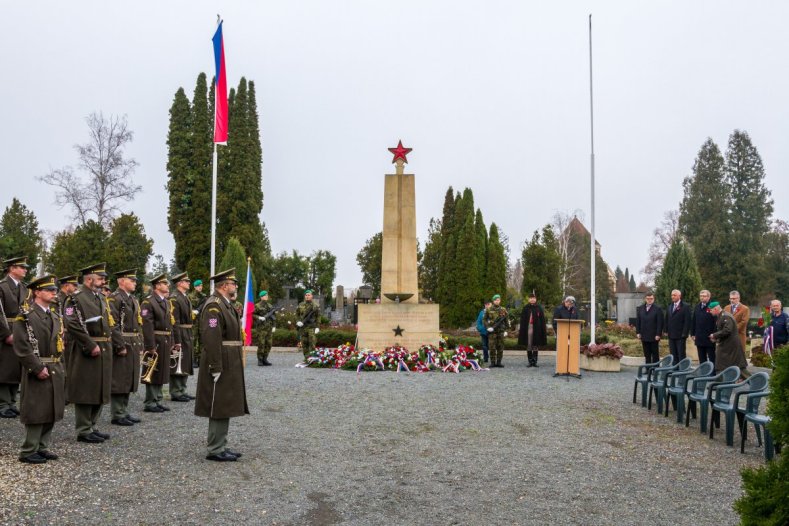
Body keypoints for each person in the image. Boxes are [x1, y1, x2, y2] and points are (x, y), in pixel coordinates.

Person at [63, 263, 123, 443]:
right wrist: (89, 344)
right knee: (86, 389)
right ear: (89, 279)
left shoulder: (100, 298)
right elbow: (71, 323)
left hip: (104, 347)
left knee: (100, 387)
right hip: (87, 349)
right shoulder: (75, 298)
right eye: (100, 278)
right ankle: (83, 429)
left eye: (104, 278)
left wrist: (117, 343)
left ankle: (92, 425)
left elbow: (109, 323)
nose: (104, 281)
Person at [194, 268, 248, 462]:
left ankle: (220, 445)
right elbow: (211, 338)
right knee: (218, 404)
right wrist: (215, 366)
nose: (236, 287)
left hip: (229, 359)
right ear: (224, 285)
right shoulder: (214, 306)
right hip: (221, 360)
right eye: (233, 284)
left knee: (225, 403)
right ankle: (215, 449)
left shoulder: (225, 304)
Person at [13, 275, 66, 463]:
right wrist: (36, 367)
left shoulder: (54, 314)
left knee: (51, 407)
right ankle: (28, 449)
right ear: (37, 292)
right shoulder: (26, 316)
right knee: (36, 409)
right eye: (49, 290)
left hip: (54, 365)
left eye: (55, 290)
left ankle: (42, 446)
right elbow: (21, 345)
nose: (54, 293)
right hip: (38, 366)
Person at [107, 269, 143, 426]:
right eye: (132, 280)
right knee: (120, 378)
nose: (135, 283)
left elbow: (138, 323)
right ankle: (117, 413)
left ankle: (124, 410)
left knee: (129, 377)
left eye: (135, 280)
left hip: (133, 341)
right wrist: (119, 344)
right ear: (121, 281)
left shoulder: (133, 299)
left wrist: (140, 342)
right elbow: (112, 324)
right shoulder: (114, 299)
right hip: (122, 341)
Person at [140, 274, 178, 413]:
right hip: (155, 341)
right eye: (164, 283)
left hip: (165, 340)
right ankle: (150, 402)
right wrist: (150, 346)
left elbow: (170, 323)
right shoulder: (148, 302)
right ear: (157, 286)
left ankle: (157, 399)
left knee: (162, 371)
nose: (167, 285)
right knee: (153, 371)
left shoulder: (166, 302)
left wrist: (172, 341)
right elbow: (147, 326)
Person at [0, 256, 29, 419]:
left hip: (20, 329)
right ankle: (2, 403)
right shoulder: (2, 286)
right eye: (21, 267)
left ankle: (11, 402)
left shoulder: (24, 288)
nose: (25, 270)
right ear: (12, 268)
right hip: (6, 329)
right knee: (5, 368)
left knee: (16, 367)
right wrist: (5, 334)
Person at [169, 272, 195, 402]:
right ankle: (175, 391)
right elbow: (175, 321)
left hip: (187, 332)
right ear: (179, 283)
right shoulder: (174, 298)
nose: (189, 283)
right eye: (186, 281)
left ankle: (182, 389)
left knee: (185, 362)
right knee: (178, 361)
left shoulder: (184, 297)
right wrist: (177, 340)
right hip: (180, 332)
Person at [709, 301, 749, 378]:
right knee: (722, 364)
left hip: (731, 346)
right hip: (727, 345)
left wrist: (714, 335)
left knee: (739, 366)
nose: (710, 312)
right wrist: (716, 338)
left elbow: (727, 330)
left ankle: (755, 383)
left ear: (716, 309)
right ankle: (719, 383)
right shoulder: (722, 316)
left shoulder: (725, 316)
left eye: (711, 310)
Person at [518, 292, 547, 367]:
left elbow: (542, 320)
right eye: (531, 298)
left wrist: (542, 330)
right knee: (529, 345)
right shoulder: (525, 308)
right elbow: (522, 320)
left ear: (535, 299)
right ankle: (530, 361)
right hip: (528, 329)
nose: (532, 299)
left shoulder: (539, 308)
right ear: (528, 299)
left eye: (533, 298)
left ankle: (535, 361)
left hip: (536, 329)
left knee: (535, 345)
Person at [635, 292, 663, 364]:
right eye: (648, 299)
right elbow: (638, 321)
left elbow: (660, 323)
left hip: (654, 336)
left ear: (653, 299)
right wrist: (638, 332)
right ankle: (648, 369)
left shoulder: (658, 309)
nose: (650, 300)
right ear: (645, 299)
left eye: (651, 298)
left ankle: (655, 369)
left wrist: (658, 334)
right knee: (646, 354)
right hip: (644, 335)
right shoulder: (640, 308)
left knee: (655, 354)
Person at [690, 290, 717, 365]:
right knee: (702, 358)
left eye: (704, 296)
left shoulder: (712, 306)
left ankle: (713, 374)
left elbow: (716, 323)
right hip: (699, 337)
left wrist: (714, 335)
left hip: (709, 337)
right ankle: (703, 374)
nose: (702, 298)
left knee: (712, 358)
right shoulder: (697, 306)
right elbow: (694, 321)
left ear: (709, 297)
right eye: (701, 296)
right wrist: (692, 333)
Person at [665, 289, 691, 362]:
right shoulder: (670, 306)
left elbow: (687, 321)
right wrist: (666, 330)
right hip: (671, 334)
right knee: (673, 354)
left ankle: (682, 370)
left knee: (681, 354)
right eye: (672, 295)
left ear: (679, 296)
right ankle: (674, 370)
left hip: (680, 335)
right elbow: (667, 319)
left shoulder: (685, 306)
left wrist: (684, 333)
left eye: (674, 295)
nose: (672, 297)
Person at [484, 294, 509, 368]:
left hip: (501, 331)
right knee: (492, 348)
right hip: (492, 332)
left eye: (498, 300)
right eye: (496, 300)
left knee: (500, 347)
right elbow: (484, 319)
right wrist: (488, 327)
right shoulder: (489, 309)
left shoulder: (503, 309)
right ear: (493, 301)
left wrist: (506, 330)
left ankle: (499, 362)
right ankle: (492, 362)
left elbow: (507, 321)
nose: (497, 301)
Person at [295, 289, 321, 361]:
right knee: (304, 344)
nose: (307, 296)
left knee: (312, 343)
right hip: (303, 327)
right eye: (306, 295)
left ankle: (312, 358)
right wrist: (298, 322)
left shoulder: (315, 306)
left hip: (311, 327)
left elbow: (318, 317)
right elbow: (297, 314)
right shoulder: (300, 305)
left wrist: (317, 327)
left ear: (311, 296)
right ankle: (306, 358)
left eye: (309, 295)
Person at [253, 290, 276, 366]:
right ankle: (260, 360)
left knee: (269, 344)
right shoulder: (257, 306)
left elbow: (274, 317)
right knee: (261, 344)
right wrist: (259, 317)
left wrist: (274, 326)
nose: (267, 296)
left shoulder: (270, 306)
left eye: (267, 295)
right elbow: (253, 315)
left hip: (269, 328)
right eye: (265, 295)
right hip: (261, 329)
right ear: (261, 297)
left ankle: (265, 359)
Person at [189, 279, 207, 368]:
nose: (200, 287)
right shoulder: (190, 296)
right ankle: (193, 360)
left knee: (202, 340)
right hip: (193, 321)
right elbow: (189, 306)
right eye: (199, 286)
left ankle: (201, 359)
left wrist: (198, 310)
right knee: (193, 340)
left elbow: (204, 305)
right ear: (195, 287)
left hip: (201, 320)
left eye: (201, 285)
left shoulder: (204, 296)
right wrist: (193, 311)